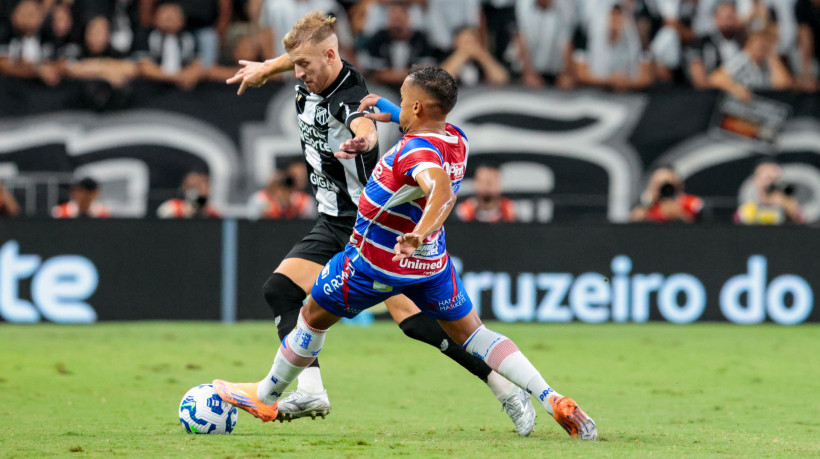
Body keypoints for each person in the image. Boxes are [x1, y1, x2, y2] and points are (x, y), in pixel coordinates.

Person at [213, 67, 597, 440]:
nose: (399, 105)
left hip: (373, 264)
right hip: (431, 268)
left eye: (403, 99)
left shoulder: (414, 152)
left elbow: (440, 189)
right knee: (475, 334)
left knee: (312, 315)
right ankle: (551, 397)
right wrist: (394, 111)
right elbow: (430, 134)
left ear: (417, 108)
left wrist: (418, 232)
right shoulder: (457, 138)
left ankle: (265, 396)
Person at [708, 28, 793, 101]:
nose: (759, 49)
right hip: (736, 108)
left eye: (763, 47)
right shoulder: (742, 60)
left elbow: (784, 85)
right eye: (758, 45)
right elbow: (715, 79)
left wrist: (773, 56)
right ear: (749, 44)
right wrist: (735, 89)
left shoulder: (766, 64)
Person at [735, 160, 804, 225]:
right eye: (767, 177)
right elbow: (738, 221)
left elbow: (801, 223)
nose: (770, 183)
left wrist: (788, 207)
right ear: (756, 180)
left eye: (775, 178)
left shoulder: (786, 202)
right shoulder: (749, 204)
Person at [630, 166, 703, 223]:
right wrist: (648, 205)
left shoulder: (689, 202)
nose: (664, 189)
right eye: (658, 184)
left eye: (666, 184)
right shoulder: (645, 205)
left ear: (678, 184)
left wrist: (679, 215)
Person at [247, 170, 316, 219]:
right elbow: (252, 223)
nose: (281, 191)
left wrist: (293, 209)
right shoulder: (259, 199)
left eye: (285, 187)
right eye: (277, 187)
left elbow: (309, 223)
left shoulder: (304, 200)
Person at [156, 172, 221, 218]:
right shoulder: (173, 207)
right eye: (192, 186)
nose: (196, 191)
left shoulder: (213, 210)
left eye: (199, 187)